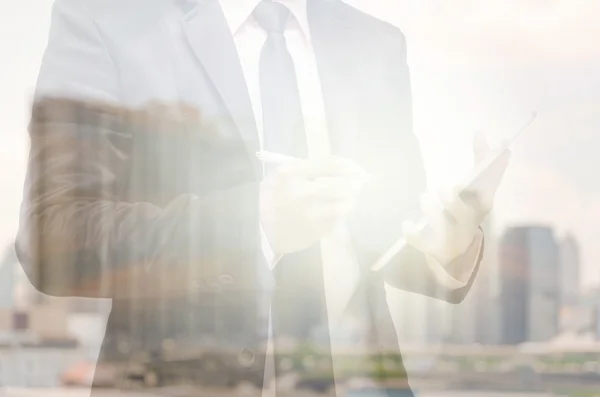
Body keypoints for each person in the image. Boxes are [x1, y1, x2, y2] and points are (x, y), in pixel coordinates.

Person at [17, 0, 508, 395]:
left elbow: (382, 231)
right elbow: (51, 236)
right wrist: (250, 226)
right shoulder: (106, 19)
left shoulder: (374, 42)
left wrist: (447, 243)